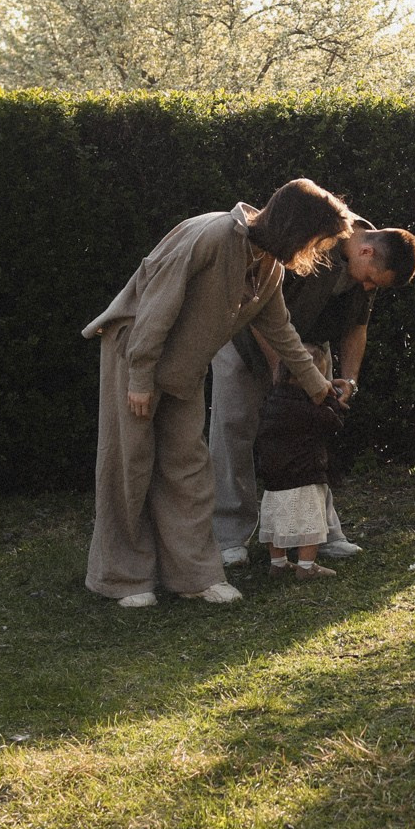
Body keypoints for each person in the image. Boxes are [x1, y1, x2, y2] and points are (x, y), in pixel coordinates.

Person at [82, 178, 346, 608]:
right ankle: (122, 578)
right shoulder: (212, 234)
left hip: (182, 368)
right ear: (298, 227)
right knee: (129, 466)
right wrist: (141, 379)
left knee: (188, 469)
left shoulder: (269, 267)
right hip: (135, 354)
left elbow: (281, 331)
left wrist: (318, 388)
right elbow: (155, 306)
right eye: (317, 240)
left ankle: (194, 576)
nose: (317, 251)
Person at [208, 217, 415, 563]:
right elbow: (256, 302)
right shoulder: (312, 235)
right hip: (244, 337)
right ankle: (229, 537)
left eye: (374, 286)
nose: (368, 288)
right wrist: (283, 366)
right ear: (366, 250)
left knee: (311, 435)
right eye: (369, 279)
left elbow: (357, 328)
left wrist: (349, 381)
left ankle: (319, 533)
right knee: (235, 430)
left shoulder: (368, 262)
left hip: (308, 349)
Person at [253, 380, 347, 577]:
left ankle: (278, 563)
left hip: (274, 479)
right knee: (309, 521)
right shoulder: (310, 407)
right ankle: (306, 566)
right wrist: (333, 400)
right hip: (306, 474)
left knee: (276, 520)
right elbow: (333, 423)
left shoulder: (271, 402)